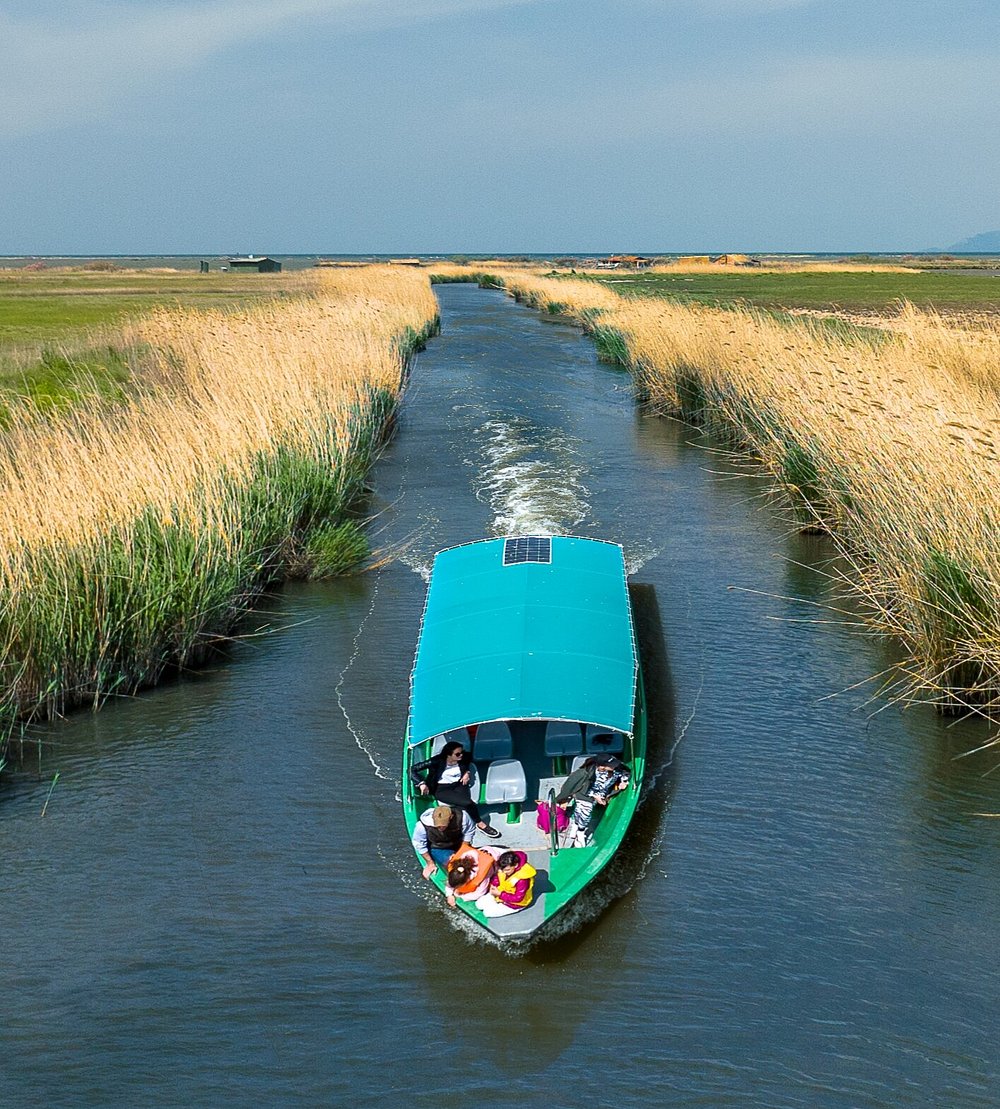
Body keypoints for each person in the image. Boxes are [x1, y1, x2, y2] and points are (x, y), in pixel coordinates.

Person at [410, 739, 501, 838]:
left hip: (459, 784)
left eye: (461, 752)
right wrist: (421, 783)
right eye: (457, 754)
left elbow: (468, 759)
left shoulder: (464, 757)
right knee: (468, 803)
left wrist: (467, 772)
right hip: (441, 788)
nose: (461, 755)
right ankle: (480, 824)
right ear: (448, 755)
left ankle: (463, 825)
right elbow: (411, 770)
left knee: (464, 804)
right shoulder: (436, 761)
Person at [556, 754, 630, 846]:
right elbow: (570, 785)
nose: (615, 766)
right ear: (602, 766)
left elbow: (625, 773)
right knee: (586, 811)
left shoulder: (616, 769)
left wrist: (623, 782)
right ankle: (580, 833)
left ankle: (576, 824)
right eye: (612, 765)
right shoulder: (585, 773)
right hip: (585, 794)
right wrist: (562, 799)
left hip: (602, 794)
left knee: (580, 811)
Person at [411, 804, 476, 880]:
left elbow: (469, 832)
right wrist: (430, 863)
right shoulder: (421, 826)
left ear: (451, 817)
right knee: (455, 865)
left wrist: (463, 850)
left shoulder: (463, 817)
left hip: (458, 843)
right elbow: (420, 845)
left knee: (473, 862)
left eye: (443, 825)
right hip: (439, 848)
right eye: (437, 826)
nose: (440, 828)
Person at [475, 850, 536, 917]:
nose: (504, 872)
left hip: (515, 903)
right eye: (502, 870)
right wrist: (494, 884)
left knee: (487, 913)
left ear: (515, 865)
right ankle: (497, 903)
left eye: (507, 870)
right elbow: (497, 877)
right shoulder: (503, 867)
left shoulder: (522, 880)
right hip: (501, 892)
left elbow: (518, 898)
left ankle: (501, 905)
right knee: (479, 904)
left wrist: (500, 894)